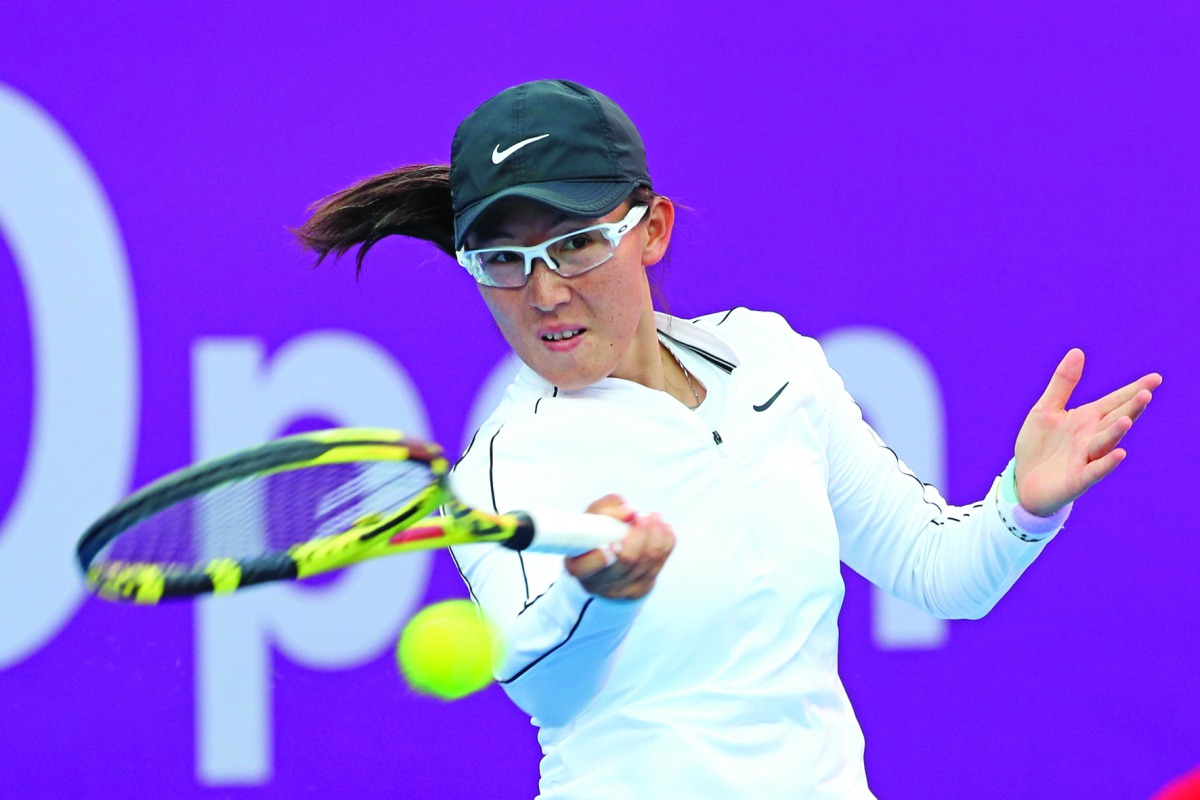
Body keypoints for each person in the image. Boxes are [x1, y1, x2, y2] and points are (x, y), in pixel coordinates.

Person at [295, 80, 1161, 799]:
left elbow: (939, 573)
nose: (544, 291)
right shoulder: (507, 462)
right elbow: (543, 685)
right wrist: (600, 593)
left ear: (654, 229)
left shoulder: (770, 361)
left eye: (577, 245)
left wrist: (1022, 504)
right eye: (502, 261)